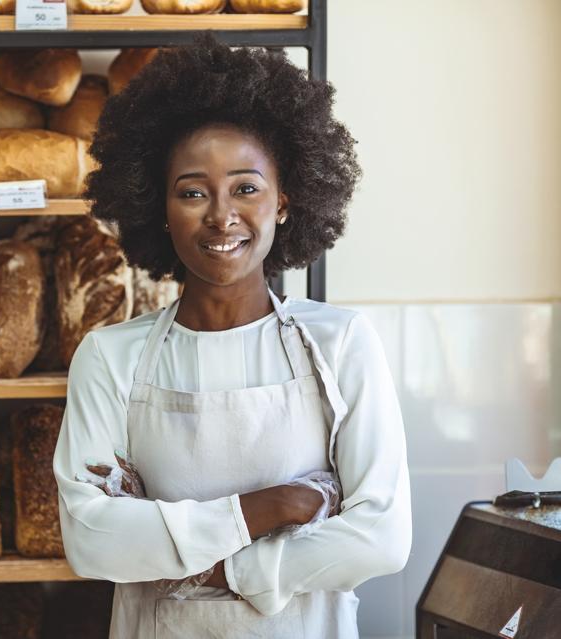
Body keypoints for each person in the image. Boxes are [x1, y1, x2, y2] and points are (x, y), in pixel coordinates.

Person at [53, 36, 412, 638]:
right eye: (192, 192)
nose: (221, 215)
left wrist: (222, 566)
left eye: (246, 187)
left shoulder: (342, 343)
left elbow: (382, 538)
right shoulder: (109, 357)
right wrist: (270, 508)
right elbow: (91, 542)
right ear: (159, 210)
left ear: (284, 201)